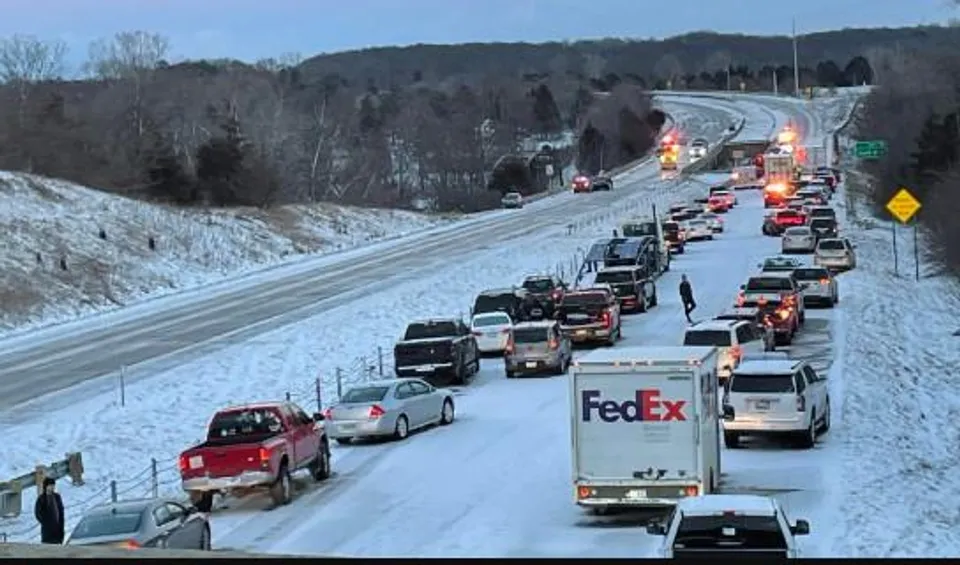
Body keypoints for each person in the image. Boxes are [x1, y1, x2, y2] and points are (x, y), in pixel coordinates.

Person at [35, 477, 65, 544]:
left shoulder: (57, 497)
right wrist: (46, 522)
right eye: (50, 486)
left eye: (53, 486)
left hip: (58, 529)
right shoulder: (41, 498)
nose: (52, 487)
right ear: (46, 486)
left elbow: (61, 511)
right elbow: (38, 513)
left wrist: (61, 526)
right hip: (47, 531)